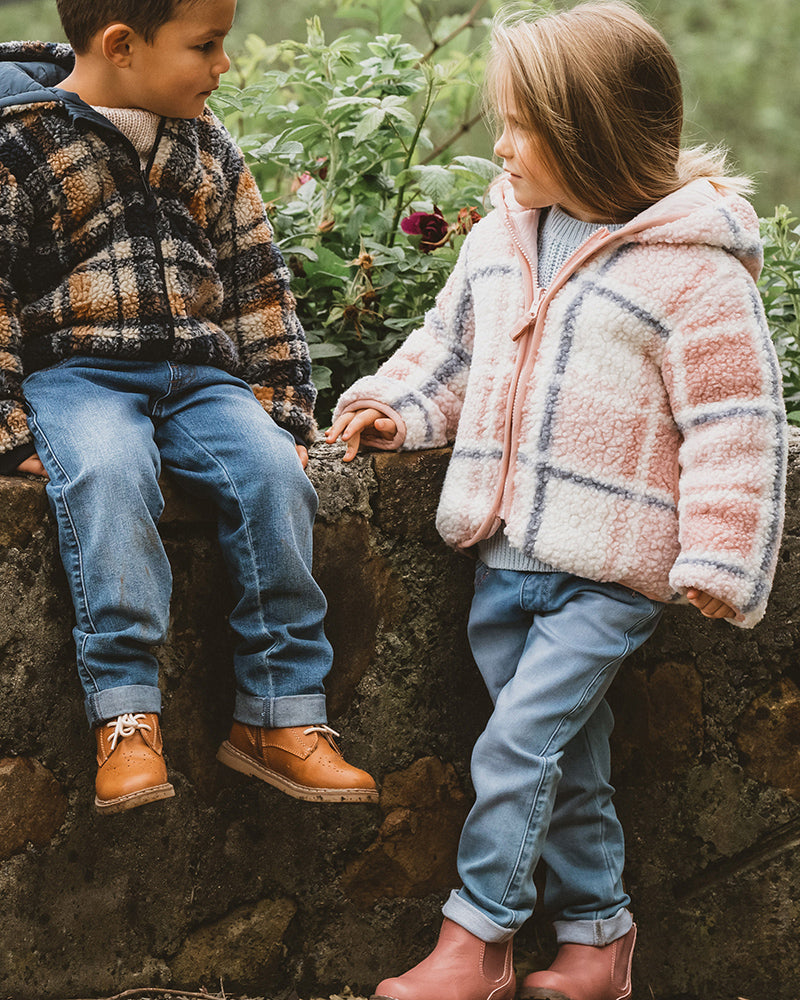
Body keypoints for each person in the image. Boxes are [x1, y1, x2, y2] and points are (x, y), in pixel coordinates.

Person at [327, 3, 787, 998]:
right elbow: (452, 354)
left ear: (591, 133)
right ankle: (596, 941)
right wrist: (392, 407)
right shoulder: (501, 238)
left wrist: (716, 554)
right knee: (565, 760)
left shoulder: (691, 271)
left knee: (515, 744)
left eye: (521, 124)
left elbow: (733, 421)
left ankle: (476, 939)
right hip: (503, 562)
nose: (499, 145)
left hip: (605, 570)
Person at [0, 0, 377, 815]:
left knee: (276, 476)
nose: (224, 65)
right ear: (123, 46)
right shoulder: (19, 143)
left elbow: (256, 279)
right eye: (206, 46)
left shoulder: (208, 145)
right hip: (77, 375)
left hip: (201, 381)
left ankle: (279, 718)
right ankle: (127, 714)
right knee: (106, 474)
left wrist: (279, 404)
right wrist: (7, 426)